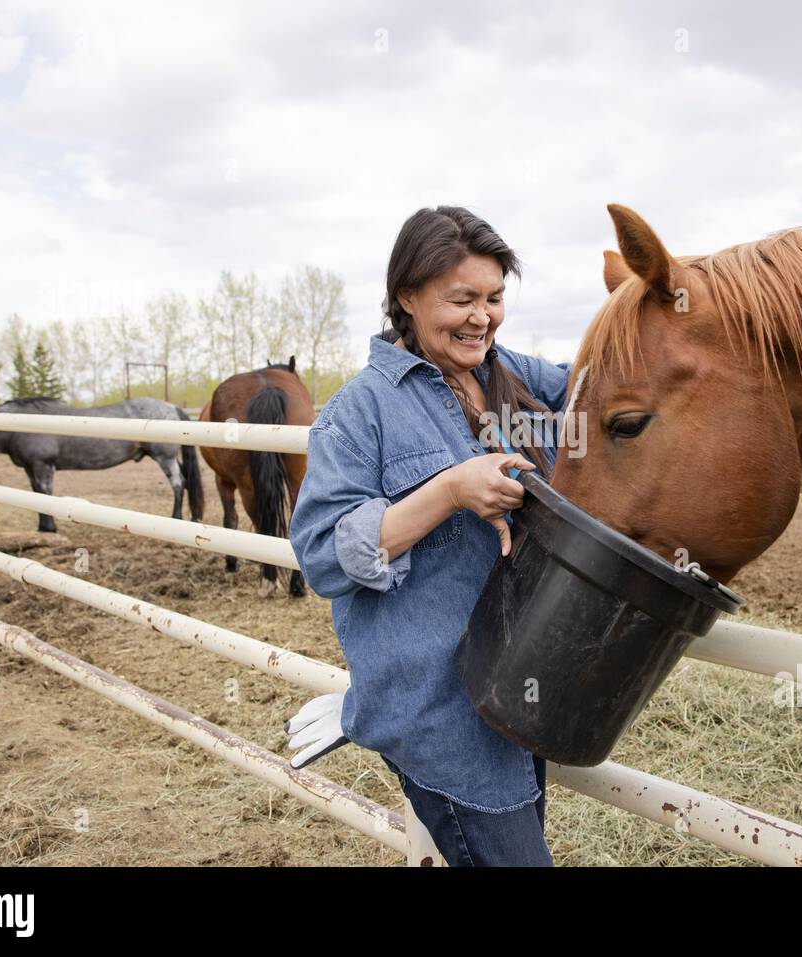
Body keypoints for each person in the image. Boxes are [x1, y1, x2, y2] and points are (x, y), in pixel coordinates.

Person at [286, 205, 570, 866]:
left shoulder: (509, 374)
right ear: (407, 297)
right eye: (462, 298)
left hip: (521, 687)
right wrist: (448, 491)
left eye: (495, 298)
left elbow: (598, 382)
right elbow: (324, 556)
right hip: (444, 714)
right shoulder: (360, 411)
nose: (482, 316)